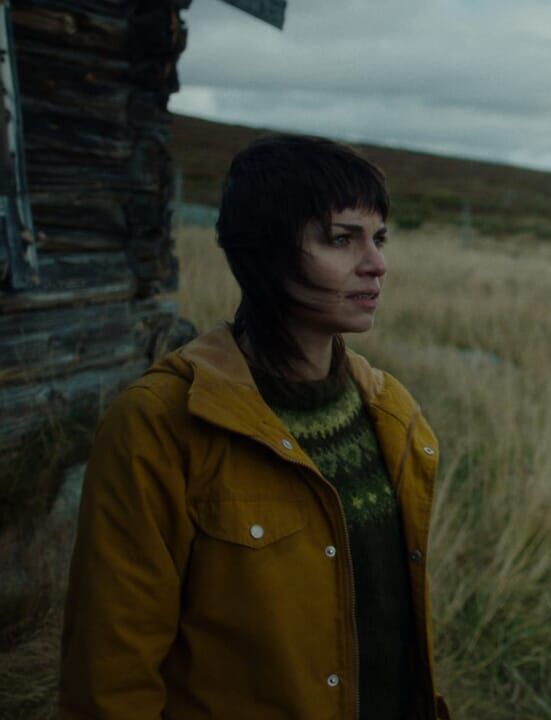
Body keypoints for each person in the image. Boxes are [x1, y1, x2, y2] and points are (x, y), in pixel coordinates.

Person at [59, 135, 449, 719]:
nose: (376, 264)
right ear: (266, 250)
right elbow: (111, 677)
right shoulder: (159, 426)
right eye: (341, 239)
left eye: (379, 238)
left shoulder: (392, 413)